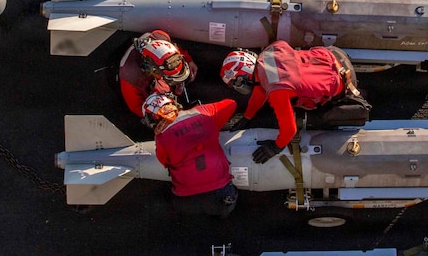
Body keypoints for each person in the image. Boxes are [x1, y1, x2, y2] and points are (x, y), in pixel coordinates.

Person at [220, 41, 370, 164]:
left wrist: (275, 147)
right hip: (335, 56)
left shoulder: (277, 91)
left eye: (237, 83)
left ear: (244, 74)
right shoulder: (271, 50)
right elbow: (261, 88)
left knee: (314, 117)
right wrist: (248, 116)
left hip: (341, 84)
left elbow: (289, 130)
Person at [144, 92, 239, 217]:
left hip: (186, 200)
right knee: (225, 207)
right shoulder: (204, 112)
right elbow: (231, 104)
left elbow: (164, 161)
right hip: (220, 196)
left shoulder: (161, 137)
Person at [118, 29, 198, 117]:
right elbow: (137, 107)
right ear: (151, 70)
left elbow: (173, 50)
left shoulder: (160, 38)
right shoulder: (130, 77)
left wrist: (189, 60)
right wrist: (162, 114)